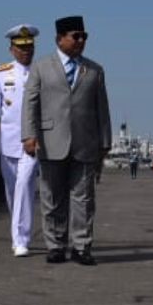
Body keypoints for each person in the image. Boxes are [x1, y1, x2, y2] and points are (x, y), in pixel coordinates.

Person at [21, 15, 112, 265]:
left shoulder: (94, 70)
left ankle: (82, 246)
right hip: (51, 142)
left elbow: (102, 109)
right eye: (76, 36)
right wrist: (28, 136)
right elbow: (30, 104)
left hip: (85, 142)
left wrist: (105, 141)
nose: (81, 41)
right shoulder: (41, 67)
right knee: (52, 198)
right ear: (59, 39)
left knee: (83, 199)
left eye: (84, 36)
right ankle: (56, 245)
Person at [0, 23, 39, 257]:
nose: (26, 52)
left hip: (33, 142)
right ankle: (19, 229)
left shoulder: (42, 71)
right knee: (13, 191)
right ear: (11, 49)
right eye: (21, 48)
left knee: (24, 184)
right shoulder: (2, 73)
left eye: (30, 47)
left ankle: (20, 239)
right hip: (9, 141)